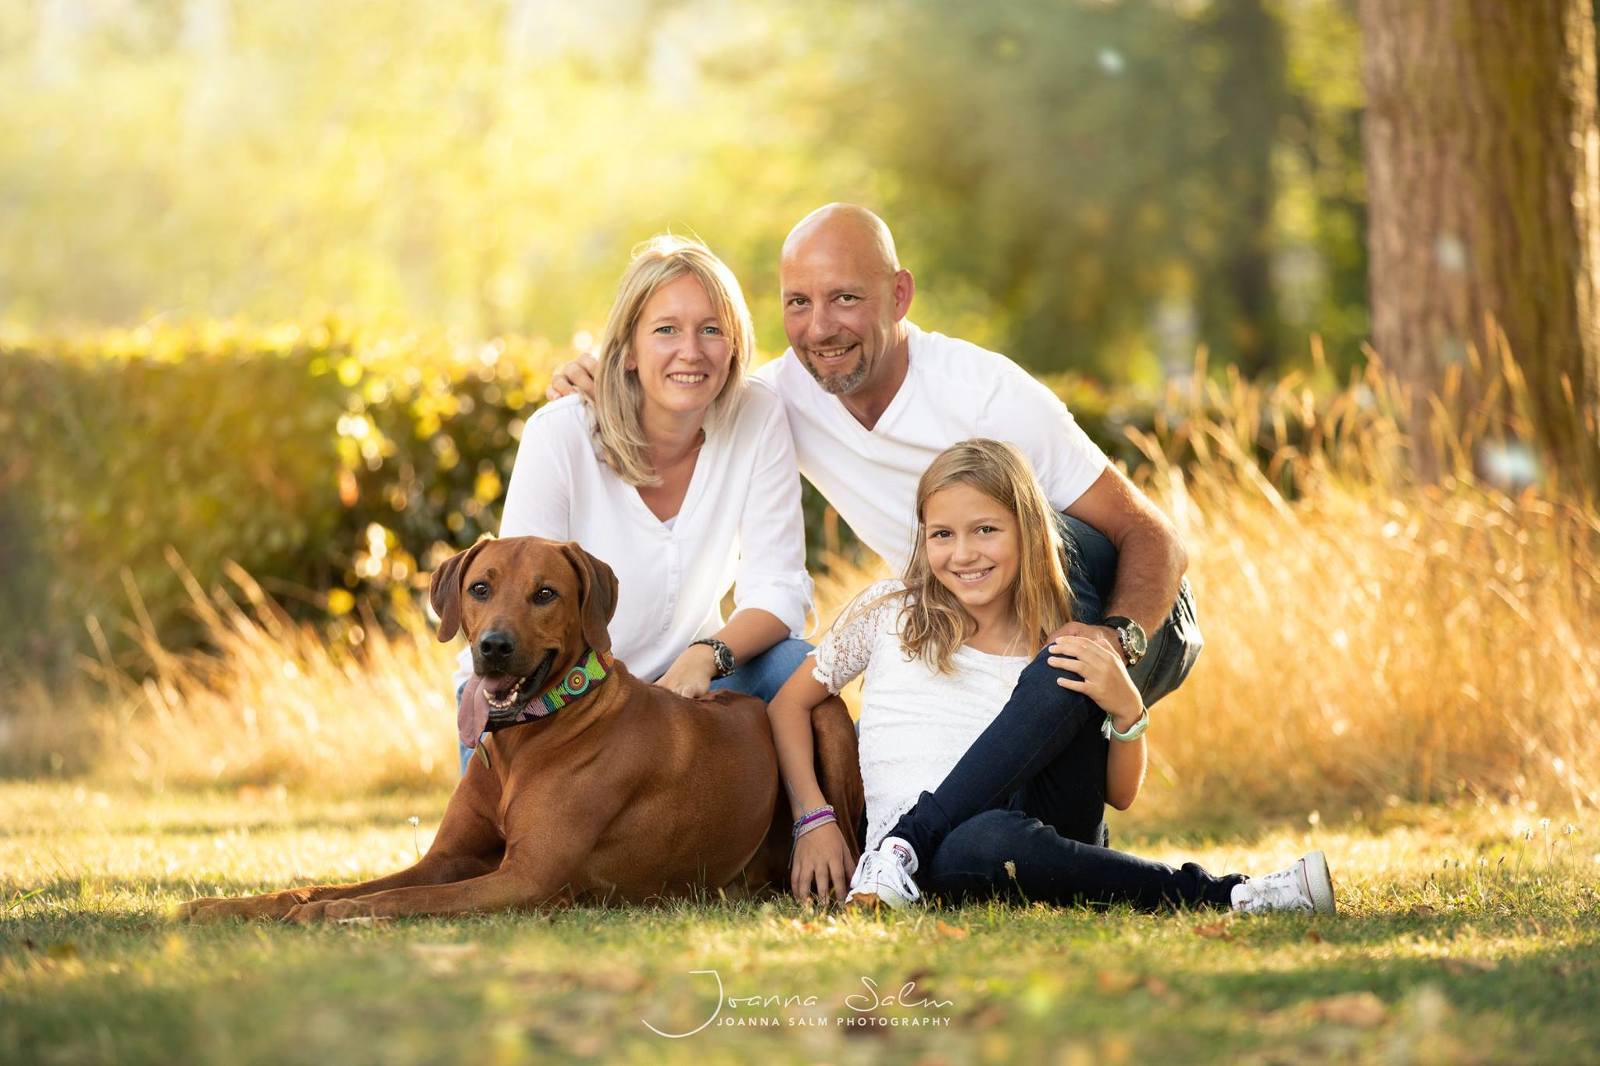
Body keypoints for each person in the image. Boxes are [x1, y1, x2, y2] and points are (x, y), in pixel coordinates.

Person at [769, 439, 1335, 915]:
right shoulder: (889, 612)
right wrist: (813, 818)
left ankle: (902, 846)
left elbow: (1119, 795)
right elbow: (787, 705)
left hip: (1047, 819)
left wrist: (1128, 709)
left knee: (1071, 653)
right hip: (967, 851)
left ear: (1027, 530)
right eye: (942, 534)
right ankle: (1234, 896)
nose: (963, 554)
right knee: (990, 837)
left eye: (985, 530)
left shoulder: (1055, 633)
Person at [454, 235, 813, 771]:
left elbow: (780, 588)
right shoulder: (560, 433)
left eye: (711, 330)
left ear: (735, 346)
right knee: (530, 851)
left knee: (795, 665)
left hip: (685, 680)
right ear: (626, 349)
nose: (690, 351)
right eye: (666, 329)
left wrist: (704, 656)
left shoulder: (756, 416)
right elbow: (516, 590)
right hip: (557, 689)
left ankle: (828, 825)